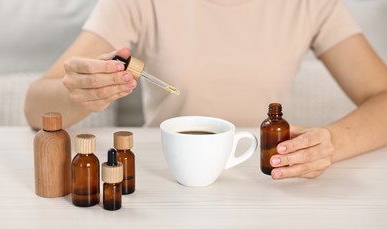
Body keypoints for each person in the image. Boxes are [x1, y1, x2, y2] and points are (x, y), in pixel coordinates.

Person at [24, 0, 387, 180]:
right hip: (165, 178)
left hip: (265, 180)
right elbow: (35, 106)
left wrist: (331, 143)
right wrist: (80, 90)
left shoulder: (312, 4)